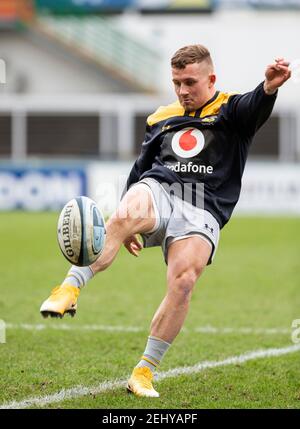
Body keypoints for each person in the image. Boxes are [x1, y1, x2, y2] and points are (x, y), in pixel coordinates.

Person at [40, 45, 291, 397]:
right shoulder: (161, 116)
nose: (183, 90)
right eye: (176, 82)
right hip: (161, 189)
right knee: (127, 211)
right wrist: (126, 218)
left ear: (211, 79)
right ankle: (69, 287)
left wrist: (268, 88)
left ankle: (143, 371)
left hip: (203, 207)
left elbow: (254, 106)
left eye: (190, 82)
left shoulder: (232, 109)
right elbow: (141, 169)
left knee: (184, 280)